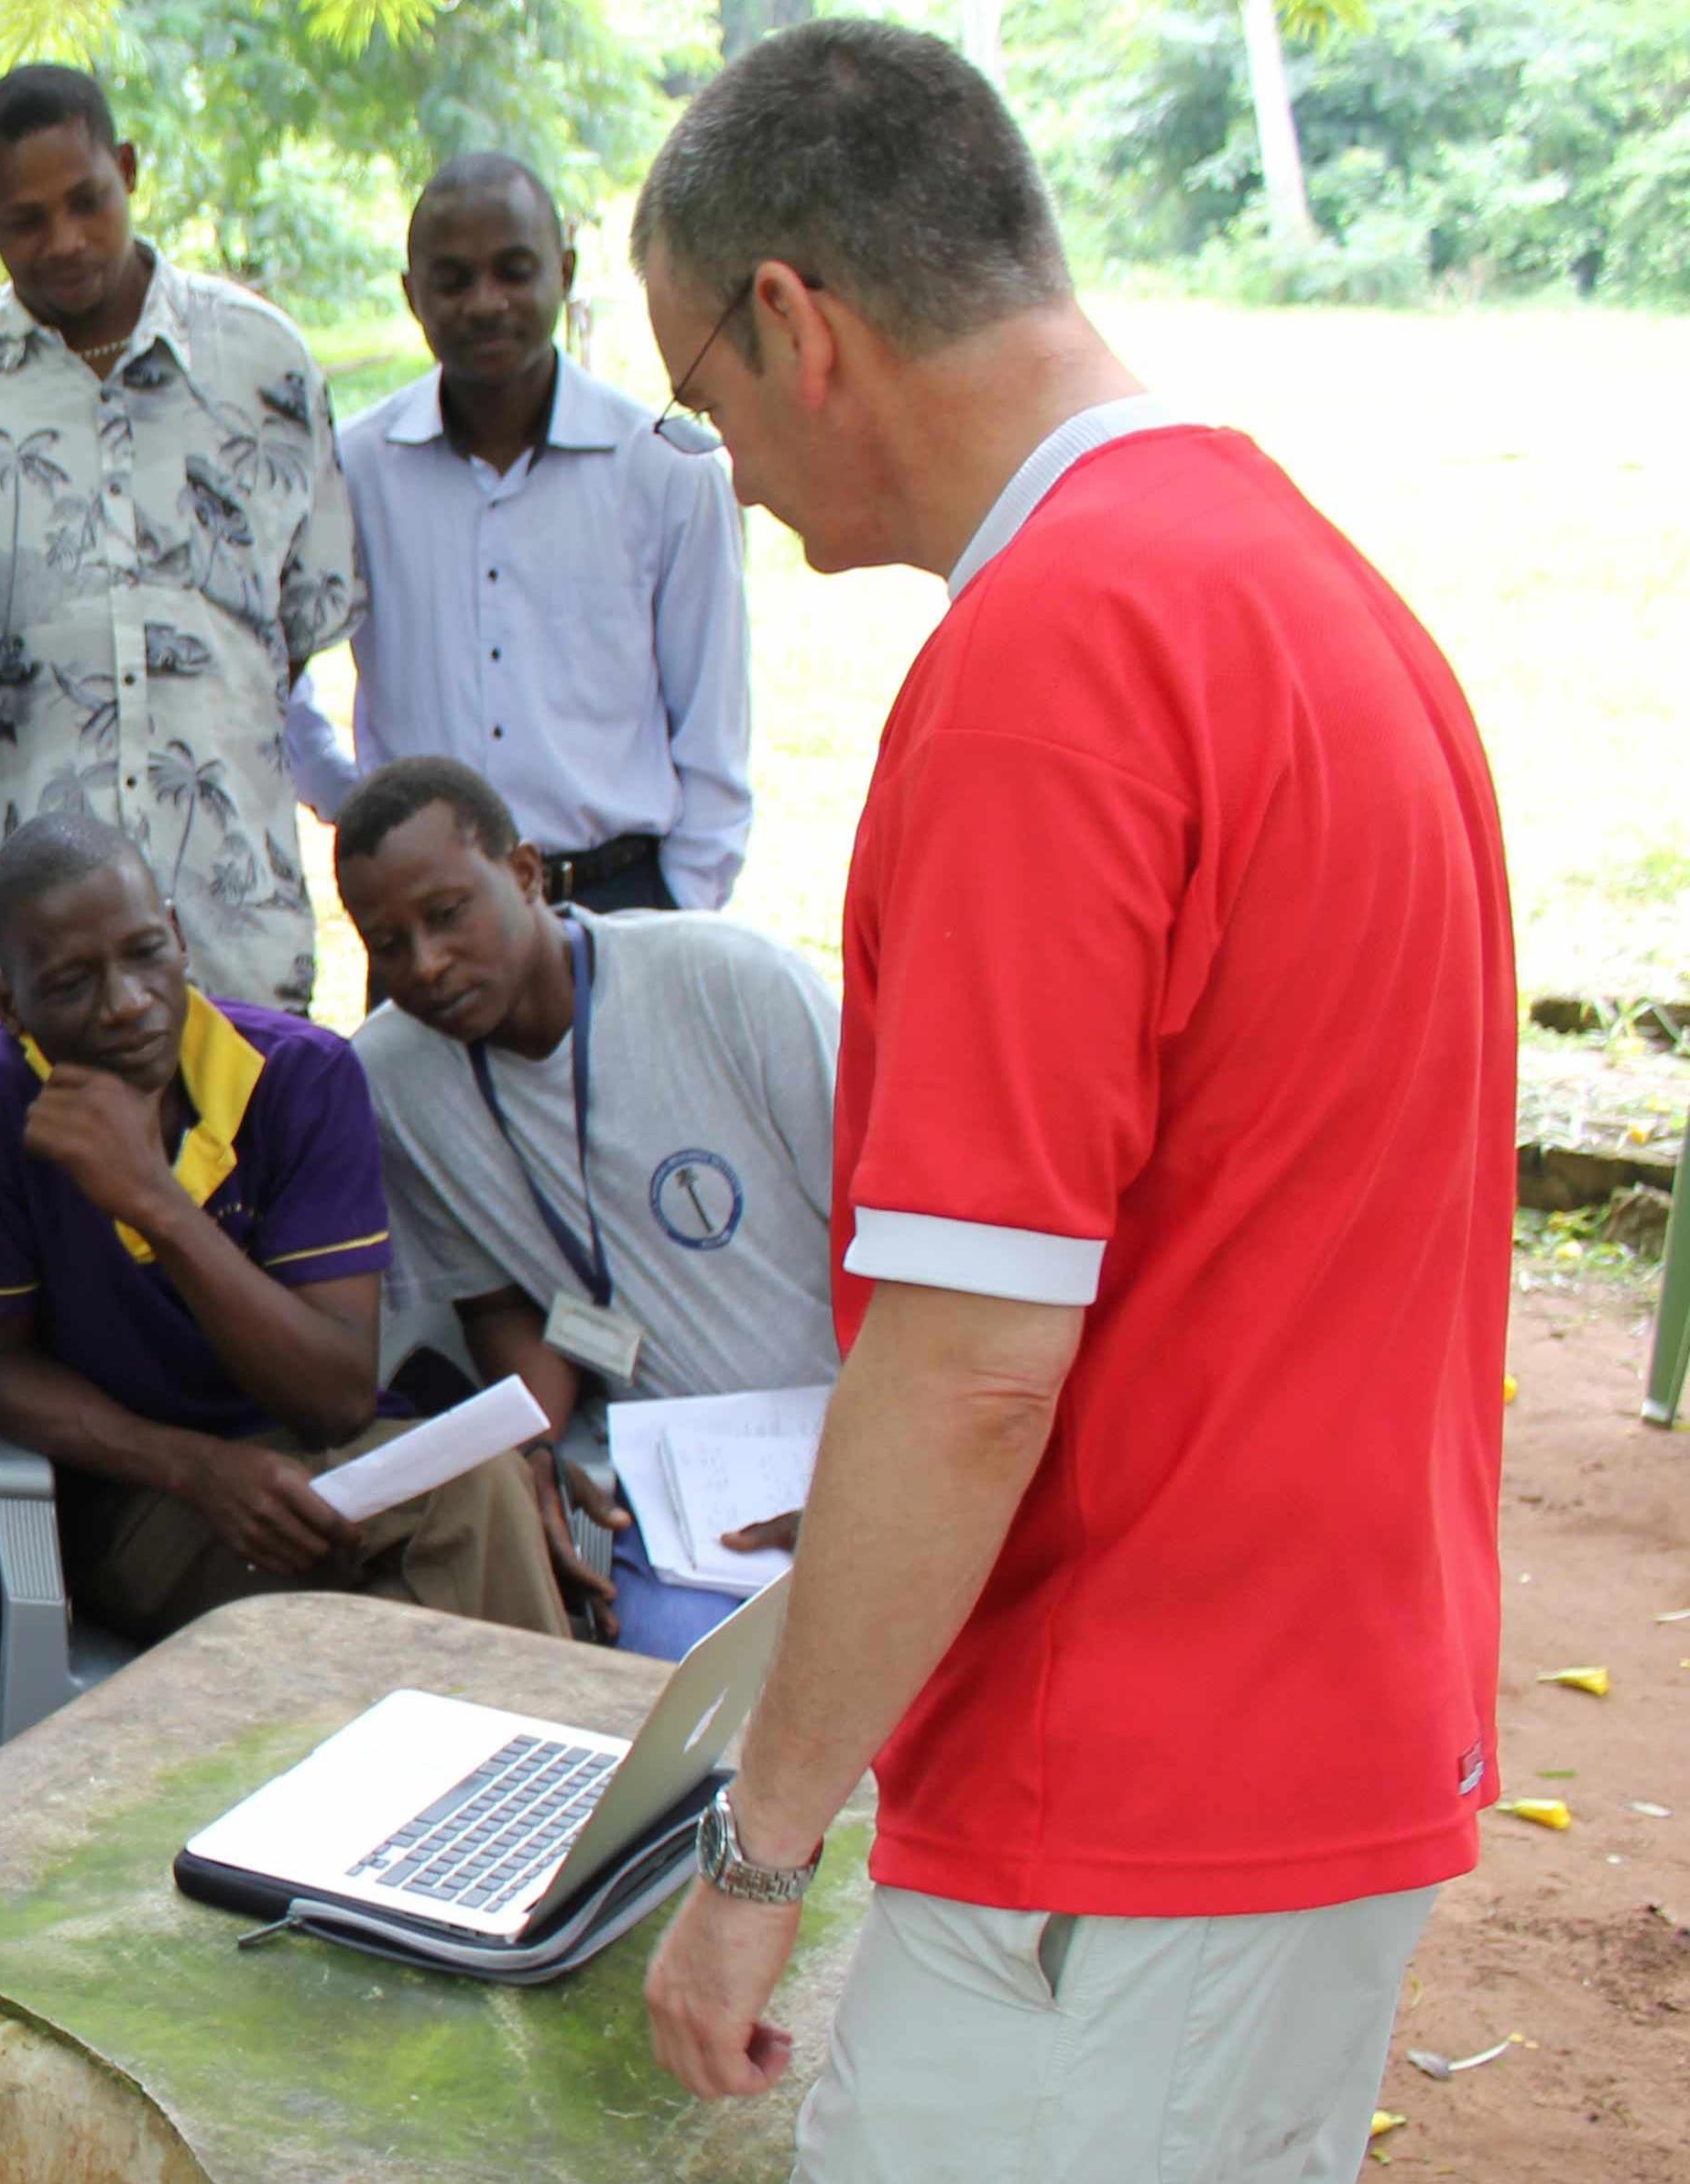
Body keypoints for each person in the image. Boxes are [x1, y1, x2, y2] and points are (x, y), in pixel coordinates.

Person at [627, 27, 1511, 2171]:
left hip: (1115, 1797)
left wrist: (755, 1860)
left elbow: (965, 1369)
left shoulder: (1049, 659)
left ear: (790, 323)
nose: (718, 472)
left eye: (699, 401)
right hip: (1317, 1727)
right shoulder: (1305, 588)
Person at [0, 810, 569, 1646]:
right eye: (72, 984)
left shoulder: (297, 1075)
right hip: (140, 1491)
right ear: (7, 1002)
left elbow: (332, 1398)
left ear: (180, 937)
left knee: (485, 1483)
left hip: (328, 1453)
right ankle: (560, 1757)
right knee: (377, 1631)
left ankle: (560, 1767)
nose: (127, 1004)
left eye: (147, 953)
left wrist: (154, 1200)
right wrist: (196, 1469)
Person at [334, 758, 838, 1658]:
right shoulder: (394, 1077)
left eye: (447, 913)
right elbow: (496, 1299)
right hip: (680, 1494)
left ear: (527, 873)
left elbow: (896, 1241)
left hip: (858, 1436)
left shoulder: (732, 984)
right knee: (665, 1700)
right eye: (387, 942)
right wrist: (523, 1443)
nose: (426, 962)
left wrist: (867, 1471)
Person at [0, 64, 358, 1014]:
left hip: (234, 915)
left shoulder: (263, 362)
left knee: (254, 1159)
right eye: (27, 221)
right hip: (28, 948)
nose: (63, 241)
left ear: (129, 170)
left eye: (86, 201)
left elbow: (304, 617)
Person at [286, 155, 755, 916]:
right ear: (411, 295)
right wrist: (350, 798)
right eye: (453, 280)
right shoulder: (353, 470)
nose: (485, 303)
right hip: (423, 911)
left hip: (622, 903)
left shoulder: (667, 471)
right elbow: (278, 659)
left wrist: (681, 909)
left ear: (563, 273)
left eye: (514, 271)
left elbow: (713, 727)